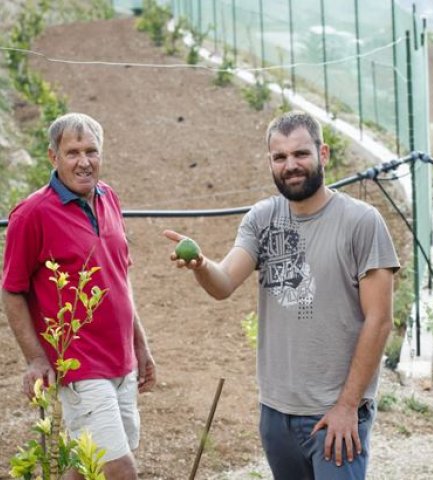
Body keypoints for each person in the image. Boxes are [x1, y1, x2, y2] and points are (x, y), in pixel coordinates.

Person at [165, 110, 399, 479]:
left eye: (300, 154)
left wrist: (347, 405)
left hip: (334, 414)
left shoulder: (361, 222)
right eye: (280, 157)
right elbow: (224, 282)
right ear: (270, 163)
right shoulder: (262, 219)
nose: (291, 165)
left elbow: (380, 320)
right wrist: (201, 265)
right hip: (277, 416)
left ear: (323, 155)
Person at [2, 112, 156, 480]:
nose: (84, 162)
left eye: (92, 151)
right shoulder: (32, 214)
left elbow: (120, 278)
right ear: (53, 157)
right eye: (72, 152)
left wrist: (141, 344)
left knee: (88, 467)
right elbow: (12, 291)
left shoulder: (109, 198)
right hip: (78, 364)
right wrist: (36, 358)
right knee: (120, 470)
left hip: (120, 360)